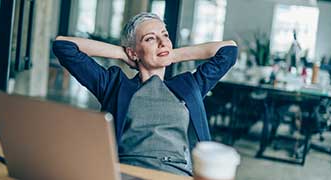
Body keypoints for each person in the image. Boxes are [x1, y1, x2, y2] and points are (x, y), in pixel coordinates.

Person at [52, 12, 237, 176]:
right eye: (150, 39)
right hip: (127, 172)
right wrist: (123, 53)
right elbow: (64, 46)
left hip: (174, 174)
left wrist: (172, 54)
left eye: (165, 35)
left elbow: (228, 51)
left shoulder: (189, 86)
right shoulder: (114, 85)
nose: (162, 42)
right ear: (133, 52)